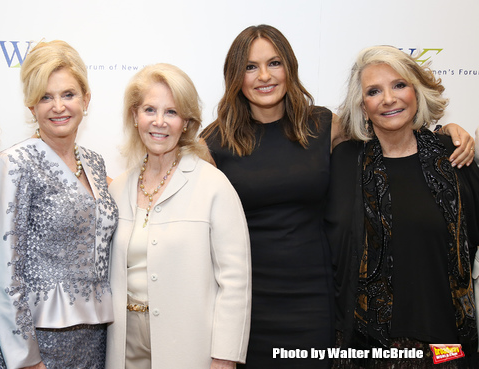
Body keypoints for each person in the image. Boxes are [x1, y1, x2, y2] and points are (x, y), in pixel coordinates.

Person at [200, 24, 476, 369]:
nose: (264, 76)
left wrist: (447, 131)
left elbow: (389, 125)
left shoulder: (325, 126)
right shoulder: (211, 143)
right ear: (235, 76)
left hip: (316, 299)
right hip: (246, 300)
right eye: (250, 66)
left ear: (289, 67)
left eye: (274, 63)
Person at [326, 45, 479, 369]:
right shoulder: (343, 162)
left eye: (399, 85)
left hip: (445, 346)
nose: (388, 98)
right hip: (367, 349)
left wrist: (453, 132)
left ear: (416, 91)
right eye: (374, 91)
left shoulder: (453, 157)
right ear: (363, 106)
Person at [105, 63, 251, 369]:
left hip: (188, 344)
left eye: (171, 112)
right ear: (135, 116)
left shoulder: (213, 185)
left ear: (186, 122)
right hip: (124, 344)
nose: (159, 122)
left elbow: (235, 282)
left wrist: (224, 358)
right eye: (149, 110)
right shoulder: (118, 189)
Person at [0, 40, 118, 369]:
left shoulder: (96, 163)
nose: (58, 106)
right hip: (39, 340)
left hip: (95, 336)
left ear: (86, 99)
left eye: (68, 95)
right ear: (31, 107)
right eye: (45, 97)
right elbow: (3, 272)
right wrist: (25, 358)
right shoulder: (12, 163)